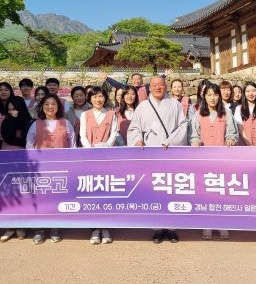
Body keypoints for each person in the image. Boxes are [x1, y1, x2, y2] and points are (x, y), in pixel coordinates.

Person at [127, 76, 188, 244]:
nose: (157, 87)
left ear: (165, 86)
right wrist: (137, 140)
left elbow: (183, 125)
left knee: (171, 190)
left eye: (160, 84)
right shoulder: (143, 106)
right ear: (149, 88)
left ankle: (172, 228)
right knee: (154, 191)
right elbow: (134, 128)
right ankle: (157, 228)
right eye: (154, 85)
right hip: (151, 155)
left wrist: (171, 141)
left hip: (170, 153)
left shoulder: (174, 104)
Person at [25, 94, 76, 244]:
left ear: (58, 107)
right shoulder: (35, 124)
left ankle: (55, 228)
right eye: (47, 104)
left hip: (61, 168)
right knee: (40, 199)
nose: (50, 107)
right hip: (41, 169)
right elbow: (29, 145)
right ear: (42, 107)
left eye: (53, 104)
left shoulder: (66, 123)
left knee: (57, 198)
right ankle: (39, 230)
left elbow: (72, 145)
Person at [190, 83, 237, 241]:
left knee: (221, 193)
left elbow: (232, 133)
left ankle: (222, 224)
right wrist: (195, 141)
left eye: (215, 95)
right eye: (209, 95)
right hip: (203, 161)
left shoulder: (226, 113)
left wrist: (231, 139)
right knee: (205, 194)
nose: (213, 98)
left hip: (221, 161)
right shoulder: (198, 114)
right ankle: (207, 224)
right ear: (204, 96)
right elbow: (193, 134)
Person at [79, 87, 118, 245]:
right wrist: (90, 150)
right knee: (92, 193)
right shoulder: (85, 115)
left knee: (106, 192)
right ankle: (94, 229)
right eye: (94, 96)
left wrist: (106, 146)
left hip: (107, 157)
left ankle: (106, 227)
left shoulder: (111, 114)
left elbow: (114, 133)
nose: (98, 99)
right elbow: (82, 135)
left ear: (105, 98)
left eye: (101, 96)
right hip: (90, 158)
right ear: (90, 99)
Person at [0, 96, 32, 242]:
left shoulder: (29, 122)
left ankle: (21, 225)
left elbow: (26, 140)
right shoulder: (6, 121)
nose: (12, 112)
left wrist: (18, 140)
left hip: (24, 158)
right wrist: (13, 119)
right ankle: (9, 226)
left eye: (15, 109)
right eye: (10, 109)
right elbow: (7, 137)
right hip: (7, 158)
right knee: (7, 192)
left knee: (22, 192)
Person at [99, 69, 172, 103]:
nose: (136, 81)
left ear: (141, 80)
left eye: (138, 79)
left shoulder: (146, 87)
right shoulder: (128, 88)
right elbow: (117, 84)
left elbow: (154, 83)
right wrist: (107, 78)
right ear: (131, 80)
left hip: (143, 110)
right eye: (134, 79)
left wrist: (165, 75)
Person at [234, 82, 256, 146]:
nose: (251, 94)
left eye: (253, 91)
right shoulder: (239, 108)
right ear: (244, 93)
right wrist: (248, 144)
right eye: (248, 91)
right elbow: (239, 128)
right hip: (243, 145)